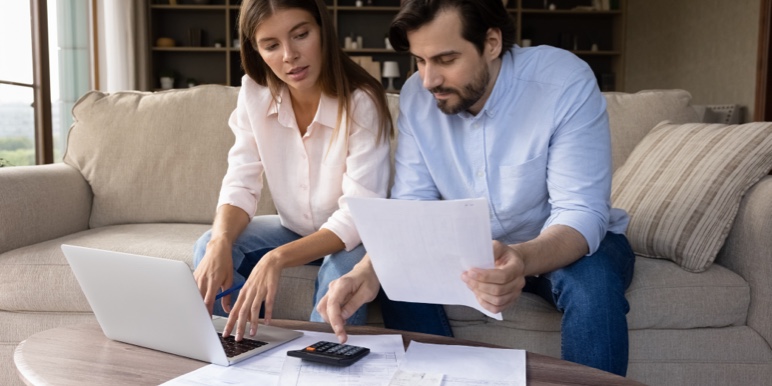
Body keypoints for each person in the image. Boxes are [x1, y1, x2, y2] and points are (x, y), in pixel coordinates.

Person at [317, 0, 635, 377]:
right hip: (468, 251)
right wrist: (368, 271)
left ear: (492, 43)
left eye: (446, 59)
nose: (429, 79)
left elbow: (582, 212)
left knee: (593, 287)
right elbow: (412, 209)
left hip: (562, 243)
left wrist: (521, 259)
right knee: (398, 284)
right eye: (419, 60)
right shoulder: (418, 97)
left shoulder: (562, 81)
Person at [193, 0, 393, 343]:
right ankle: (233, 347)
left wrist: (278, 257)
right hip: (293, 229)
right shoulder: (254, 94)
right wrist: (221, 240)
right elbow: (241, 181)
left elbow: (358, 214)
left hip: (352, 240)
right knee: (211, 245)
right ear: (256, 51)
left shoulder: (362, 100)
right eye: (271, 45)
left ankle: (318, 365)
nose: (289, 55)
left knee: (339, 276)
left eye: (300, 35)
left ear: (322, 31)